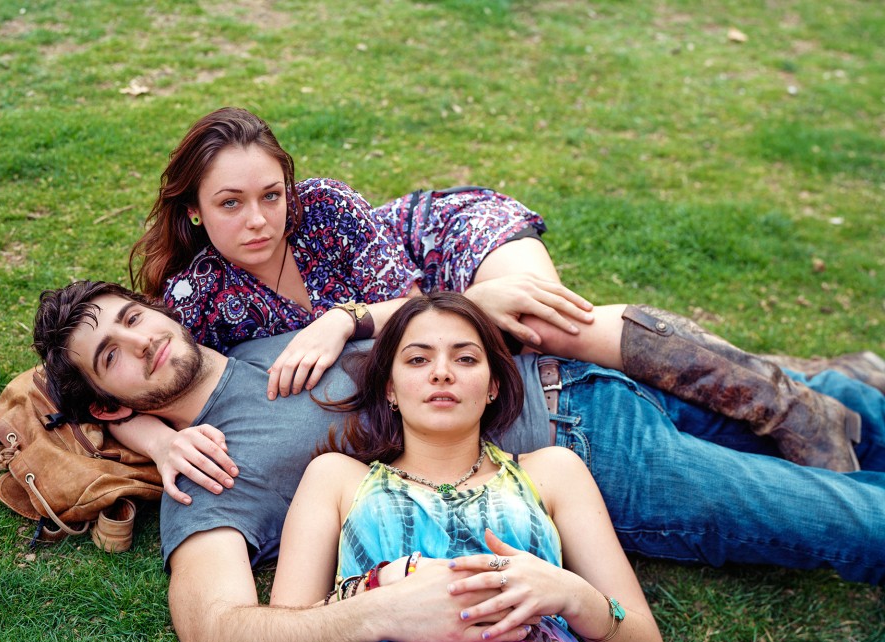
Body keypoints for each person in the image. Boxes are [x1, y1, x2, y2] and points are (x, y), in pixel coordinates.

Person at [32, 281, 885, 642]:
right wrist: (374, 614)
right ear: (104, 399)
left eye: (132, 317)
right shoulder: (205, 475)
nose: (139, 342)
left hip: (585, 369)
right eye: (109, 354)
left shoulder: (250, 332)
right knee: (851, 522)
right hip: (584, 462)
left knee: (849, 413)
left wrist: (353, 318)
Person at [125, 105, 877, 471]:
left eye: (270, 195)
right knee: (545, 348)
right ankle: (834, 381)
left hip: (448, 253)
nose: (259, 221)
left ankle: (796, 412)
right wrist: (160, 445)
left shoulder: (325, 207)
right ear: (193, 209)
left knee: (546, 326)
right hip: (411, 321)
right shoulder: (197, 301)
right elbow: (94, 394)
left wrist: (337, 322)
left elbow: (419, 310)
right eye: (229, 204)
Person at [270, 292, 666, 642]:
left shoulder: (553, 473)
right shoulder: (337, 480)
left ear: (494, 384)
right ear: (390, 389)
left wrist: (569, 593)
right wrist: (376, 590)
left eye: (465, 357)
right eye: (418, 359)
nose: (442, 372)